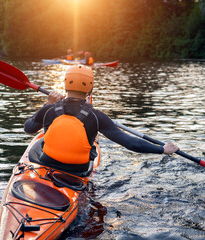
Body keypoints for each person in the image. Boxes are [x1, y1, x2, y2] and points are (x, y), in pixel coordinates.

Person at [24, 65, 179, 173]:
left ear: (65, 84)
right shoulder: (97, 117)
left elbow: (28, 129)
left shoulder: (49, 109)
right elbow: (131, 143)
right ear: (90, 88)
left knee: (39, 143)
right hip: (79, 170)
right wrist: (162, 149)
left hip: (47, 163)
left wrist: (47, 104)